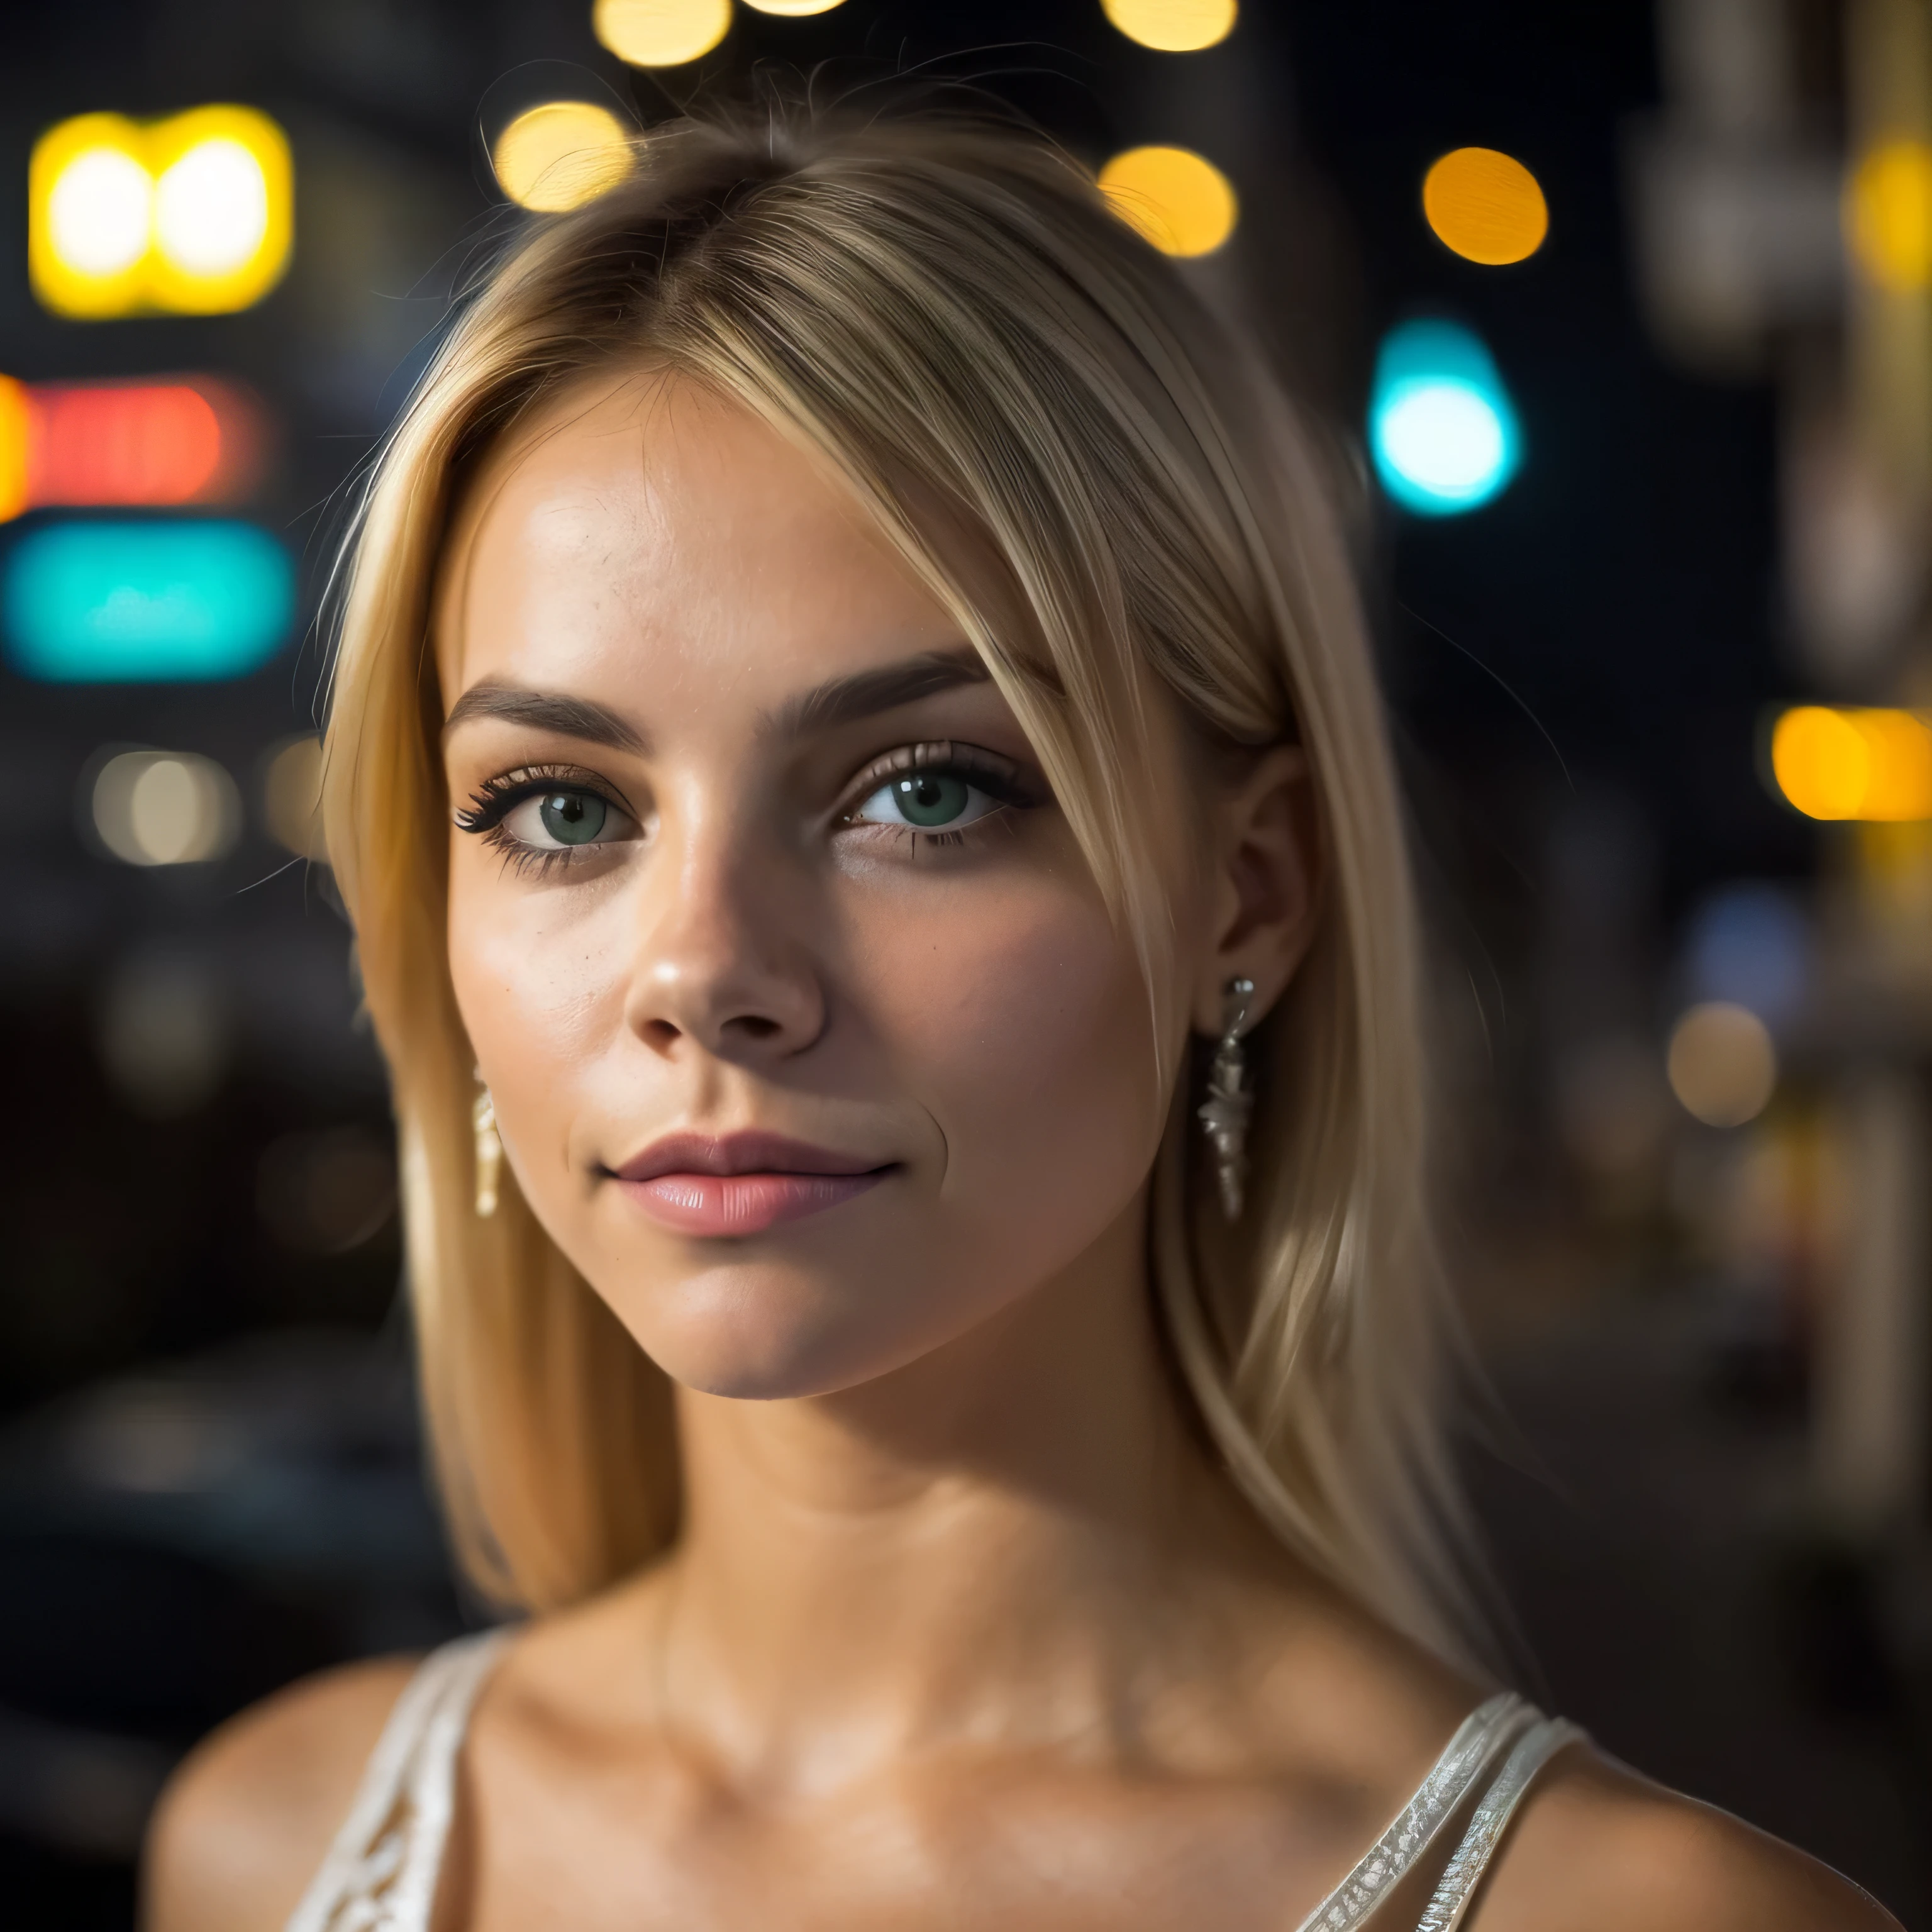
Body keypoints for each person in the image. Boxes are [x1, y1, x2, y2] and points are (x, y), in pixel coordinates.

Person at [145, 103, 1897, 1931]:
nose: (703, 972)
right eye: (564, 810)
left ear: (1250, 892)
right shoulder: (277, 1851)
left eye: (922, 793)